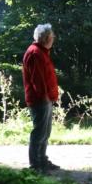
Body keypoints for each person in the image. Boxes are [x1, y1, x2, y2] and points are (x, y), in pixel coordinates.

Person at [22, 23, 60, 173]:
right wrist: (44, 97)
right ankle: (35, 165)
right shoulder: (35, 53)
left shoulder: (41, 52)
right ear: (45, 38)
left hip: (45, 98)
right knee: (39, 132)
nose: (53, 38)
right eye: (52, 36)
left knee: (45, 132)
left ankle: (42, 160)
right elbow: (37, 79)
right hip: (40, 99)